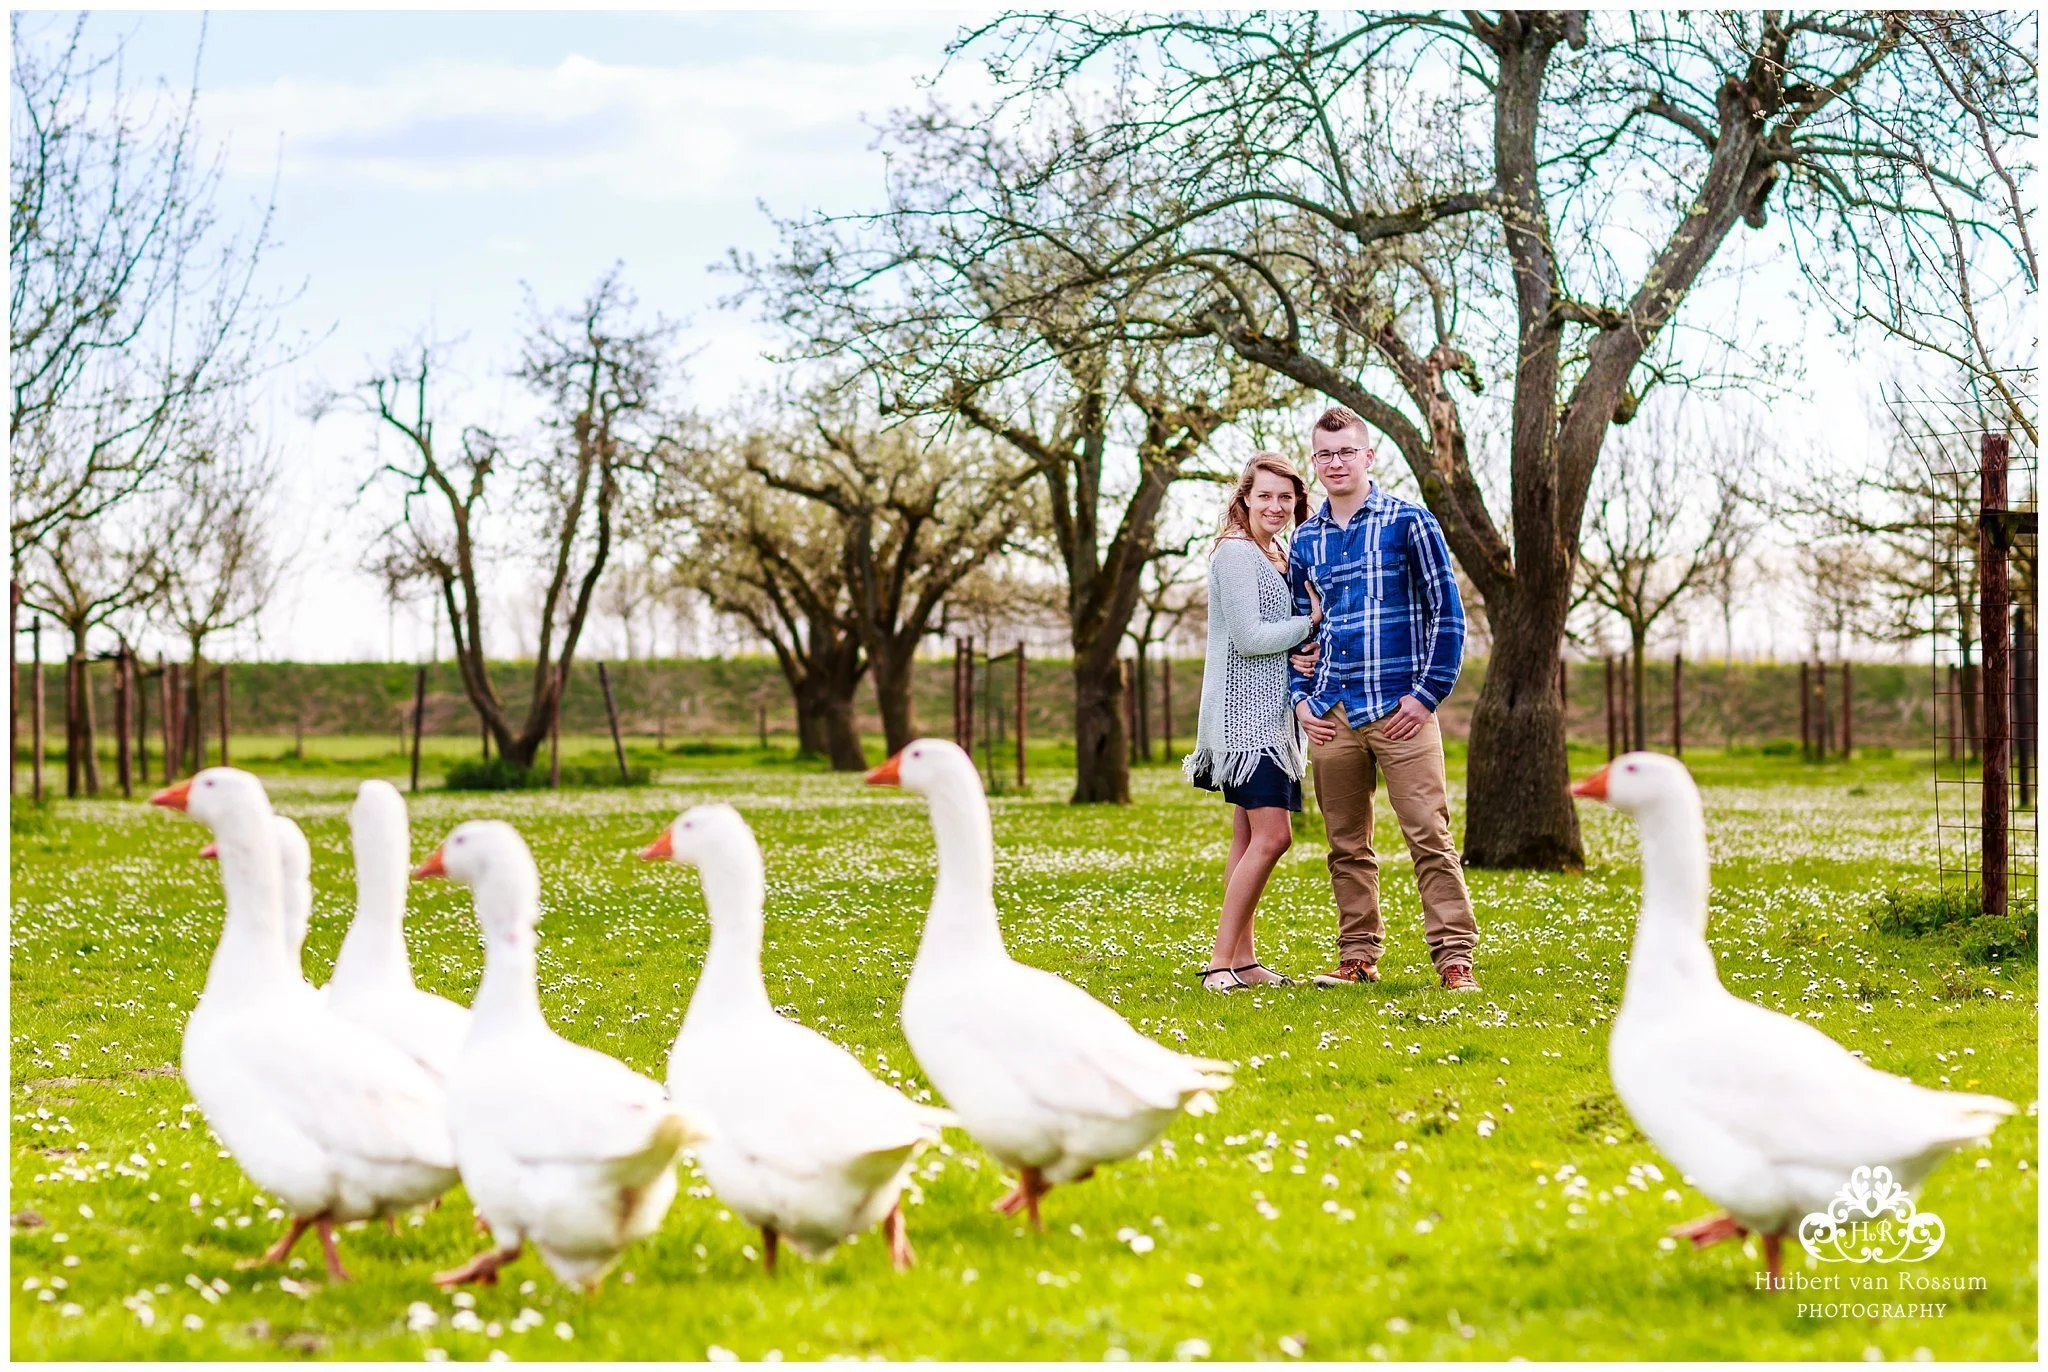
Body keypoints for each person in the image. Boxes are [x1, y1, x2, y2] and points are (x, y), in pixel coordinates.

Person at [1287, 406, 1481, 992]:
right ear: (1315, 462)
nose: (1336, 462)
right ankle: (1357, 958)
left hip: (1401, 710)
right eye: (1325, 453)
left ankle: (1453, 960)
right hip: (1332, 715)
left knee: (1428, 832)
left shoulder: (1409, 523)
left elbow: (1448, 616)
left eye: (1347, 451)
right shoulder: (1306, 539)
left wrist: (1427, 697)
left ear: (1369, 456)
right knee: (1346, 845)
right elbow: (1301, 629)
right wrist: (1301, 699)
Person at [1184, 453, 1323, 992]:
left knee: (1245, 841)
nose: (1275, 505)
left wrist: (1298, 655)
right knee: (1274, 836)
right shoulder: (1237, 555)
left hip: (1273, 715)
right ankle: (1220, 963)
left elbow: (1274, 638)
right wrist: (1307, 622)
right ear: (1244, 498)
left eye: (1285, 497)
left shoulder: (1277, 552)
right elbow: (1249, 636)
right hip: (1247, 723)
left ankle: (1243, 961)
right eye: (1264, 495)